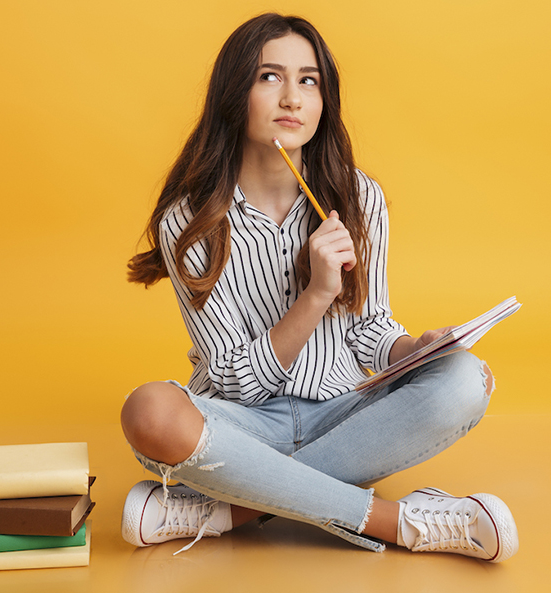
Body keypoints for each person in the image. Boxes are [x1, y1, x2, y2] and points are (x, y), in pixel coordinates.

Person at [120, 13, 518, 562]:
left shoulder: (358, 198)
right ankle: (396, 522)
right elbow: (235, 381)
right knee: (149, 412)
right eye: (270, 77)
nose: (292, 98)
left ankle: (232, 508)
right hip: (242, 425)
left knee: (466, 380)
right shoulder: (189, 221)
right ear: (235, 93)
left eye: (308, 81)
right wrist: (314, 297)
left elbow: (370, 332)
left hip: (344, 413)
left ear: (324, 99)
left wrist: (414, 351)